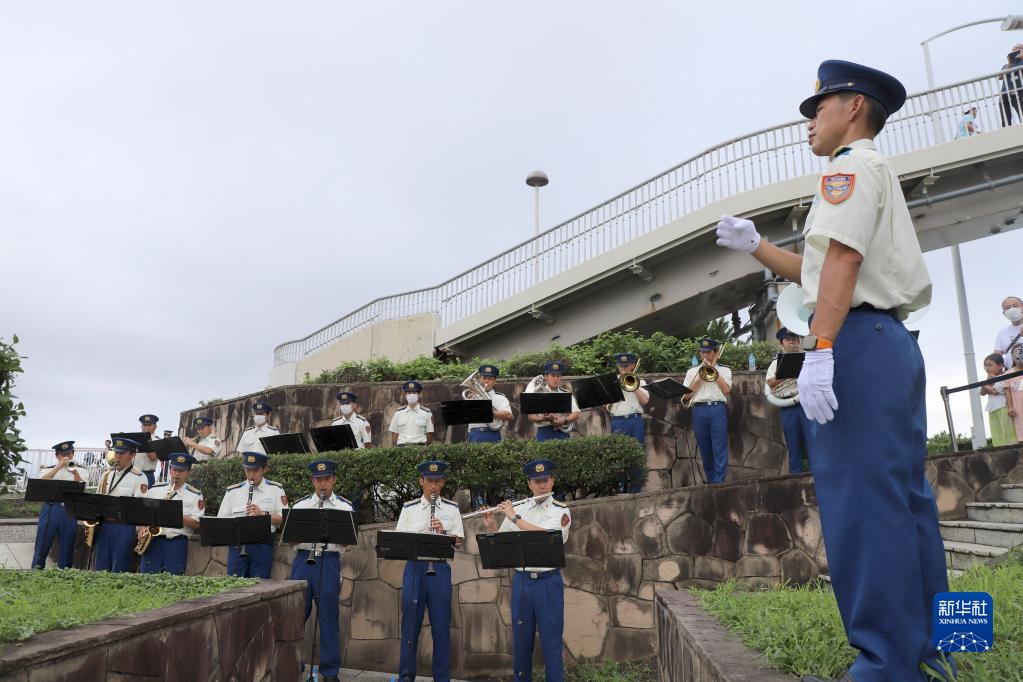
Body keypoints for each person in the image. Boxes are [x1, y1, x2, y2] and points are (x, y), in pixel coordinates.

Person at [715, 60, 950, 681]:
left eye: (817, 108)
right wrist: (757, 246)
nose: (809, 122)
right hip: (887, 339)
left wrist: (818, 349)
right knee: (907, 499)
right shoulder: (870, 169)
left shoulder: (847, 167)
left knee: (861, 506)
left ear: (853, 107)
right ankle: (943, 649)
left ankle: (885, 662)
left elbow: (843, 260)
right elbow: (823, 270)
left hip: (855, 344)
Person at [481, 459, 571, 682]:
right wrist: (491, 525)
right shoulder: (519, 508)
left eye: (546, 480)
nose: (542, 485)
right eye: (537, 481)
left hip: (548, 583)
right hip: (522, 583)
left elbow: (546, 537)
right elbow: (504, 542)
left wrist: (514, 517)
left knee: (551, 643)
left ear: (552, 482)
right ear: (529, 484)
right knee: (521, 643)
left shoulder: (561, 510)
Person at [394, 460, 463, 682]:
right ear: (421, 481)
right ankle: (406, 677)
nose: (433, 486)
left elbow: (459, 541)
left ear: (442, 482)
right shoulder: (409, 508)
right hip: (415, 568)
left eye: (437, 481)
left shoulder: (452, 509)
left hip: (440, 569)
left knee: (441, 627)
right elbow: (399, 541)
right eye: (429, 481)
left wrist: (444, 533)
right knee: (410, 627)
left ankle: (442, 679)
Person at [288, 460, 354, 682]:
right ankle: (292, 663)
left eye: (326, 479)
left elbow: (347, 543)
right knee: (296, 615)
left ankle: (329, 671)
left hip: (329, 560)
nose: (322, 484)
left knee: (328, 616)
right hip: (303, 560)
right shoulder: (300, 506)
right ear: (312, 481)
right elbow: (290, 540)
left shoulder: (344, 507)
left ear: (334, 479)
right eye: (318, 480)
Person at [217, 452, 287, 578]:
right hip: (237, 545)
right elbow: (221, 521)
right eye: (248, 470)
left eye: (256, 470)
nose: (251, 475)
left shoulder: (276, 490)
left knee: (260, 587)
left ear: (264, 469)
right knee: (233, 586)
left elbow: (285, 519)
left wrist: (263, 515)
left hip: (262, 546)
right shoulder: (233, 491)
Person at [138, 453, 203, 575]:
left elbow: (196, 524)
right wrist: (142, 528)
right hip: (153, 542)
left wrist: (174, 515)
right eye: (174, 470)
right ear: (170, 469)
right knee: (145, 581)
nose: (177, 474)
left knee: (174, 583)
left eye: (181, 471)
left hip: (176, 543)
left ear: (188, 473)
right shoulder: (155, 490)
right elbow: (142, 514)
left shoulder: (195, 495)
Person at [765, 329, 815, 474]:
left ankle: (816, 479)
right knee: (793, 447)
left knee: (813, 444)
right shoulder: (776, 362)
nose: (791, 341)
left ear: (798, 341)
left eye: (793, 338)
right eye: (787, 339)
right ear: (781, 343)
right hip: (788, 406)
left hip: (807, 403)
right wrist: (788, 372)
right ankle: (796, 481)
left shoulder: (808, 358)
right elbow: (770, 383)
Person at [94, 437, 148, 572]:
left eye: (122, 453)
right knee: (100, 566)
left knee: (119, 567)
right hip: (105, 525)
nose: (118, 457)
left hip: (124, 526)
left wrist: (142, 526)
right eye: (116, 453)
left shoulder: (139, 477)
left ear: (132, 455)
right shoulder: (106, 474)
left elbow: (141, 505)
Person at [682, 338, 732, 483]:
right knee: (704, 448)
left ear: (716, 353)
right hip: (699, 409)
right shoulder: (692, 371)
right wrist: (699, 377)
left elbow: (726, 390)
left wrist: (714, 372)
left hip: (717, 408)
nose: (705, 356)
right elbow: (686, 395)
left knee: (719, 446)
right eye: (702, 352)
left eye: (708, 352)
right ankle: (711, 481)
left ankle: (719, 482)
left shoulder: (725, 370)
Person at [30, 440, 83, 569]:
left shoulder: (80, 470)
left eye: (69, 454)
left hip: (69, 509)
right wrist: (58, 467)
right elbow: (41, 483)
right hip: (51, 508)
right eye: (62, 454)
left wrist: (75, 472)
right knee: (42, 542)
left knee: (67, 544)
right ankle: (36, 571)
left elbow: (81, 486)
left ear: (73, 454)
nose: (66, 457)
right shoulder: (49, 470)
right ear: (56, 456)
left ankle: (64, 574)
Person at [607, 353, 650, 492]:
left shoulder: (640, 381)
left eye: (626, 366)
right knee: (619, 458)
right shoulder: (613, 381)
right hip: (617, 421)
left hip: (635, 420)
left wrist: (634, 385)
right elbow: (606, 405)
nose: (623, 369)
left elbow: (645, 401)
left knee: (636, 457)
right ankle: (621, 490)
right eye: (621, 366)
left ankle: (636, 490)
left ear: (632, 366)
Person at [527, 362, 580, 442]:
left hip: (562, 433)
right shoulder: (537, 394)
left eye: (558, 376)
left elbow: (576, 413)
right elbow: (530, 416)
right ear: (546, 377)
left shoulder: (566, 394)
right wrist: (543, 418)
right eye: (552, 375)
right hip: (544, 432)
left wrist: (564, 420)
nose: (556, 378)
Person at [465, 364, 514, 444]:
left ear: (494, 381)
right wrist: (470, 403)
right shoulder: (471, 397)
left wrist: (490, 411)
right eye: (484, 378)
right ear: (479, 379)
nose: (486, 381)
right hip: (474, 434)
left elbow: (509, 416)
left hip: (492, 434)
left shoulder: (500, 398)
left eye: (490, 379)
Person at [981, 353, 1016, 447]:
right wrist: (986, 384)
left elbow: (995, 391)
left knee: (1008, 432)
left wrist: (984, 384)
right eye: (986, 366)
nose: (987, 368)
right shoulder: (988, 379)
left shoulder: (1004, 377)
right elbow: (982, 393)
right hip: (992, 408)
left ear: (1000, 365)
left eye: (990, 365)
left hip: (1003, 406)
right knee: (996, 434)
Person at [389, 381, 434, 446]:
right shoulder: (398, 413)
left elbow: (429, 435)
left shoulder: (427, 413)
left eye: (414, 392)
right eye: (409, 393)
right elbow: (394, 435)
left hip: (420, 449)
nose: (411, 395)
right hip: (402, 449)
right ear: (405, 395)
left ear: (419, 395)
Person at [999, 44, 1023, 127]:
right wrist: (1009, 62)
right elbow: (1000, 77)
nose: (1017, 50)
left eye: (1020, 48)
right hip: (1005, 93)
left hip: (1020, 91)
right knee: (1005, 119)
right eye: (1015, 48)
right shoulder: (1006, 66)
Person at [993, 295, 1023, 362]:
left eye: (1015, 306)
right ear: (1004, 313)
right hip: (1013, 371)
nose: (1012, 309)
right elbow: (996, 357)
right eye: (1008, 308)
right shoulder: (1002, 333)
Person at [135, 414, 161, 487]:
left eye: (149, 425)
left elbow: (153, 457)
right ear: (141, 426)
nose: (146, 427)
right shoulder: (135, 438)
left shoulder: (158, 441)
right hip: (133, 473)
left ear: (155, 427)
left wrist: (145, 440)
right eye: (144, 425)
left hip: (147, 475)